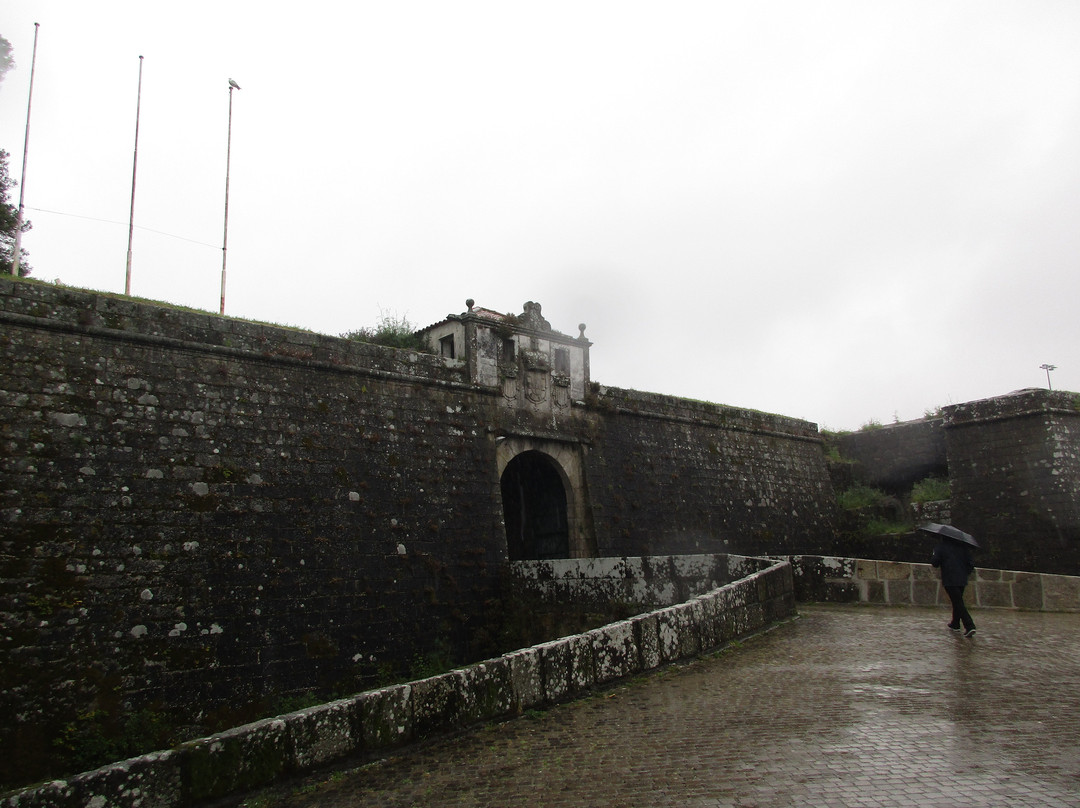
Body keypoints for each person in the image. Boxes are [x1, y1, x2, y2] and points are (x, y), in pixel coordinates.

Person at [931, 537, 976, 637]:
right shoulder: (963, 547)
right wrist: (965, 573)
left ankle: (969, 625)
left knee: (958, 602)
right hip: (962, 579)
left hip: (950, 578)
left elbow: (935, 563)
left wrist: (934, 554)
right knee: (957, 600)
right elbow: (971, 563)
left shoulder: (940, 547)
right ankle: (955, 623)